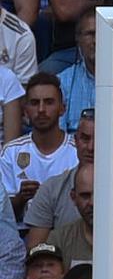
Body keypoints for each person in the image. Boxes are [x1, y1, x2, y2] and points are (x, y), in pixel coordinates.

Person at [2, 74, 78, 227]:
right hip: (21, 235)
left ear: (63, 108)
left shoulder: (77, 151)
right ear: (25, 111)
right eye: (35, 103)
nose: (41, 109)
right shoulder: (11, 152)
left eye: (49, 102)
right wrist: (20, 198)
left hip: (67, 235)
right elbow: (2, 214)